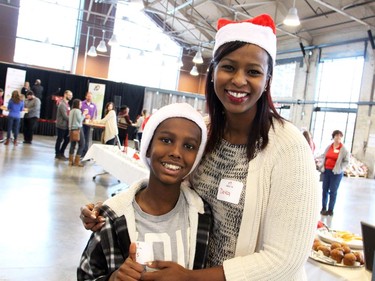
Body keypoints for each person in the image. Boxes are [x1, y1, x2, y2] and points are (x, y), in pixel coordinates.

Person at [80, 14, 319, 281]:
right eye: (229, 67)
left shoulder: (289, 147)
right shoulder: (202, 132)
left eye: (253, 71)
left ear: (267, 81)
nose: (239, 80)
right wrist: (111, 210)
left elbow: (285, 260)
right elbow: (167, 186)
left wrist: (192, 278)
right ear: (213, 72)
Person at [77, 103, 211, 281]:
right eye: (166, 140)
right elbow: (86, 275)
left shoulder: (203, 214)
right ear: (147, 146)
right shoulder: (112, 216)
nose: (176, 152)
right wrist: (113, 278)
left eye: (189, 146)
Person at [318, 130, 350, 216]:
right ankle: (323, 208)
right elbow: (324, 155)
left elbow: (346, 161)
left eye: (340, 136)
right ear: (333, 137)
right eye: (337, 136)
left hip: (336, 173)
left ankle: (330, 209)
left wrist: (340, 168)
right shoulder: (329, 147)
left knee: (333, 191)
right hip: (326, 171)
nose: (338, 137)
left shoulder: (344, 149)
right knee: (324, 190)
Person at [68, 99, 87, 167]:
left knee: (72, 145)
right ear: (77, 104)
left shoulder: (71, 111)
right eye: (80, 104)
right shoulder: (78, 111)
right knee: (82, 144)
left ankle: (70, 161)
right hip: (78, 129)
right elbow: (80, 120)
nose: (81, 105)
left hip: (71, 129)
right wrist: (84, 114)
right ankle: (77, 161)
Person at [55, 90, 73, 160]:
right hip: (61, 125)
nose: (71, 97)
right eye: (69, 95)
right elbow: (65, 116)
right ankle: (57, 154)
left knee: (67, 139)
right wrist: (72, 119)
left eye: (71, 95)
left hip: (66, 126)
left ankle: (61, 152)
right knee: (59, 140)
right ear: (65, 95)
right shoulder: (62, 104)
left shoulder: (67, 104)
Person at [80, 91, 97, 158]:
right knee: (82, 139)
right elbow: (78, 113)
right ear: (86, 96)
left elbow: (95, 115)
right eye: (88, 96)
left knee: (87, 139)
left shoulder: (94, 105)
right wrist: (84, 116)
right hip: (82, 123)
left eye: (90, 96)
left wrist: (93, 119)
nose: (89, 98)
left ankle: (85, 154)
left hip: (89, 125)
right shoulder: (82, 103)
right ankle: (80, 153)